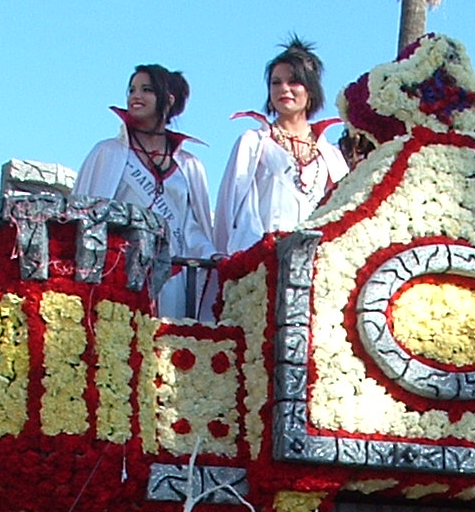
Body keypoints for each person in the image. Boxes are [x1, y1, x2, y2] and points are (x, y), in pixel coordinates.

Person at [76, 65, 216, 319]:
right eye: (131, 90)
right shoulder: (107, 153)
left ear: (168, 100)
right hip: (121, 273)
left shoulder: (189, 165)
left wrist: (210, 253)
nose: (135, 96)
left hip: (173, 277)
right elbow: (84, 215)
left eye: (146, 90)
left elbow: (191, 228)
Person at [213, 37, 348, 259]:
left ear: (311, 89)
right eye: (276, 82)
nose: (284, 89)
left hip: (316, 263)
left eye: (294, 81)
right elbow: (230, 211)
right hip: (263, 261)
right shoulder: (253, 143)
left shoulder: (330, 155)